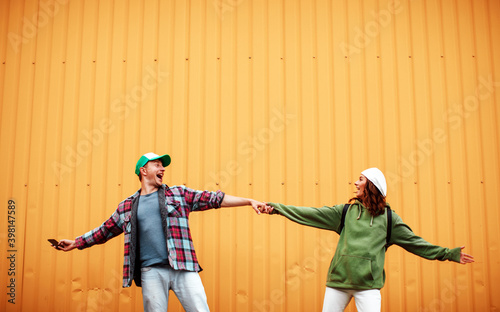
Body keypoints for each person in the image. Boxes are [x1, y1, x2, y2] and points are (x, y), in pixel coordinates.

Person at [54, 152, 267, 312]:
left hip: (183, 268)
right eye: (157, 165)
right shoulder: (127, 206)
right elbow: (105, 230)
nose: (162, 168)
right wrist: (76, 242)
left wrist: (249, 201)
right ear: (143, 171)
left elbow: (214, 199)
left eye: (163, 166)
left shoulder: (179, 194)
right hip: (151, 272)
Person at [261, 167, 474, 312]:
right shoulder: (344, 212)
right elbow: (310, 213)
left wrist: (448, 254)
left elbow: (416, 243)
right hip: (338, 283)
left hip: (368, 287)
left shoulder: (390, 220)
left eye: (360, 179)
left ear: (371, 186)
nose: (355, 182)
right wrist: (276, 209)